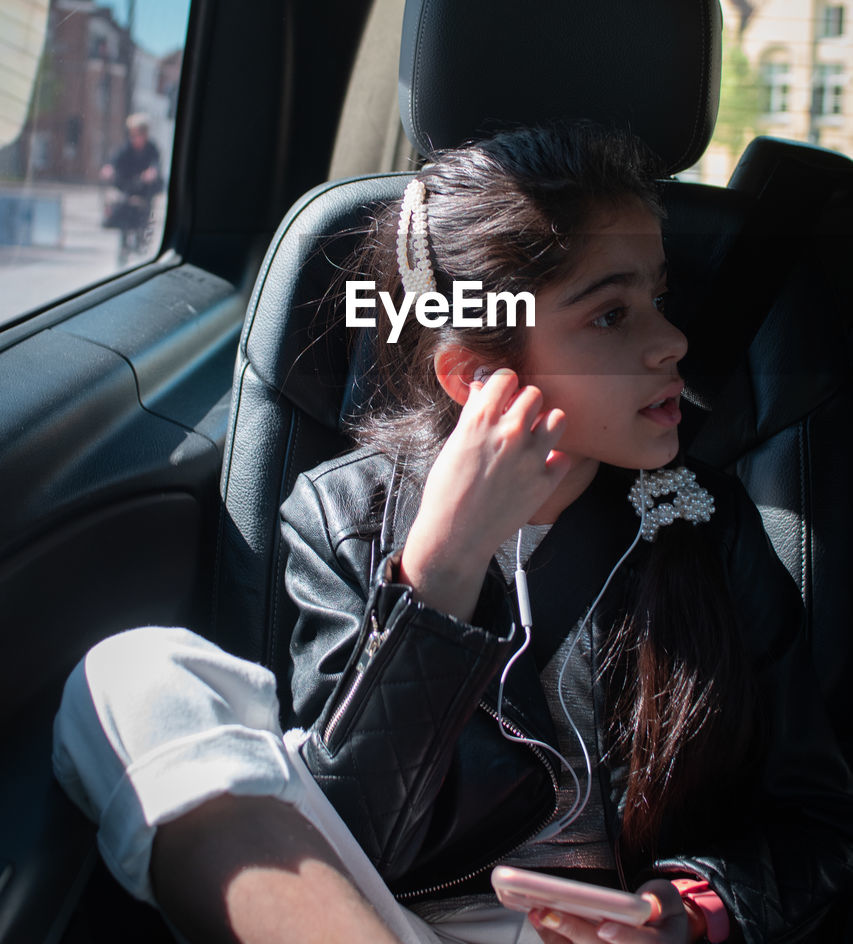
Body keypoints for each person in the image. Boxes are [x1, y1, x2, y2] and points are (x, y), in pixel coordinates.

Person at [54, 123, 853, 944]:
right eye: (611, 316)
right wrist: (439, 570)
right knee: (132, 675)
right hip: (383, 920)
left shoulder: (704, 523)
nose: (671, 342)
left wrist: (687, 908)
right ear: (478, 374)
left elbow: (815, 822)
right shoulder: (342, 519)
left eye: (659, 297)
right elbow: (355, 832)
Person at [100, 112, 163, 198]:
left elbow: (155, 163)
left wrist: (152, 172)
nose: (134, 138)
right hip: (128, 185)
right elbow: (116, 158)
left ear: (145, 135)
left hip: (144, 188)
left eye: (137, 135)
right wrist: (109, 167)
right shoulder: (127, 147)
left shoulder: (152, 148)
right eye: (132, 135)